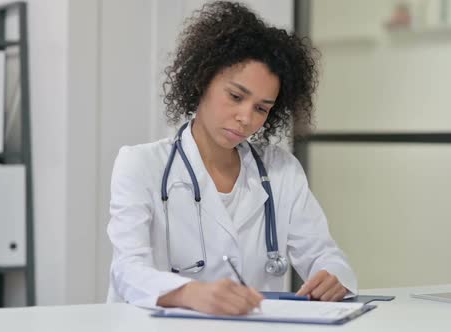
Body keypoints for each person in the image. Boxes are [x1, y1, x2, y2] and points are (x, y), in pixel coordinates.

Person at [106, 1, 357, 315]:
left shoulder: (280, 170)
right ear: (202, 81)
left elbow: (324, 254)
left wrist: (332, 275)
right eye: (236, 96)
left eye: (262, 108)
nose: (245, 118)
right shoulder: (141, 165)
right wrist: (189, 293)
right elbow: (127, 270)